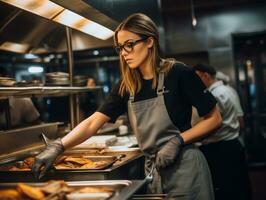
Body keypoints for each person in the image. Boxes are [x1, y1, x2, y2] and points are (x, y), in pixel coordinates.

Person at [32, 13, 222, 199]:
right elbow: (93, 123)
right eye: (120, 47)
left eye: (129, 45)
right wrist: (59, 146)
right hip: (155, 170)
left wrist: (177, 141)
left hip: (186, 168)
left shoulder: (178, 73)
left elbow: (214, 119)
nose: (124, 53)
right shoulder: (128, 85)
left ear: (150, 42)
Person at [193, 64, 252, 200]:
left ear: (206, 75)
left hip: (218, 149)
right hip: (234, 144)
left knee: (224, 190)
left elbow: (210, 125)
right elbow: (241, 121)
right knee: (240, 186)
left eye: (197, 78)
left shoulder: (212, 95)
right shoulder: (229, 90)